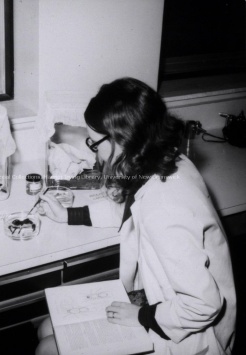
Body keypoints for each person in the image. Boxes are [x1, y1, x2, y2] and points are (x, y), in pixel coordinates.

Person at [35, 77, 236, 355]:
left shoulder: (165, 207)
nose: (95, 158)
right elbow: (128, 209)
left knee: (47, 347)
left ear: (124, 140)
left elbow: (203, 304)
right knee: (47, 328)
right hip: (161, 299)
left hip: (185, 334)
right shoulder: (165, 161)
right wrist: (69, 214)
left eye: (95, 144)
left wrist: (141, 317)